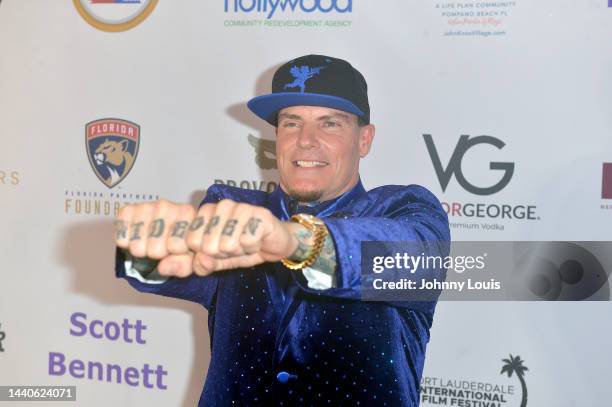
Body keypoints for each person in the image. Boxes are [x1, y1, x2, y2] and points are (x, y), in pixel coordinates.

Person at [114, 54, 450, 406]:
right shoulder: (234, 210)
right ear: (277, 137)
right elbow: (174, 267)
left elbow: (416, 256)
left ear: (364, 139)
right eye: (292, 123)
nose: (306, 140)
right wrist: (147, 248)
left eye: (330, 124)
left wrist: (295, 241)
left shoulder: (404, 210)